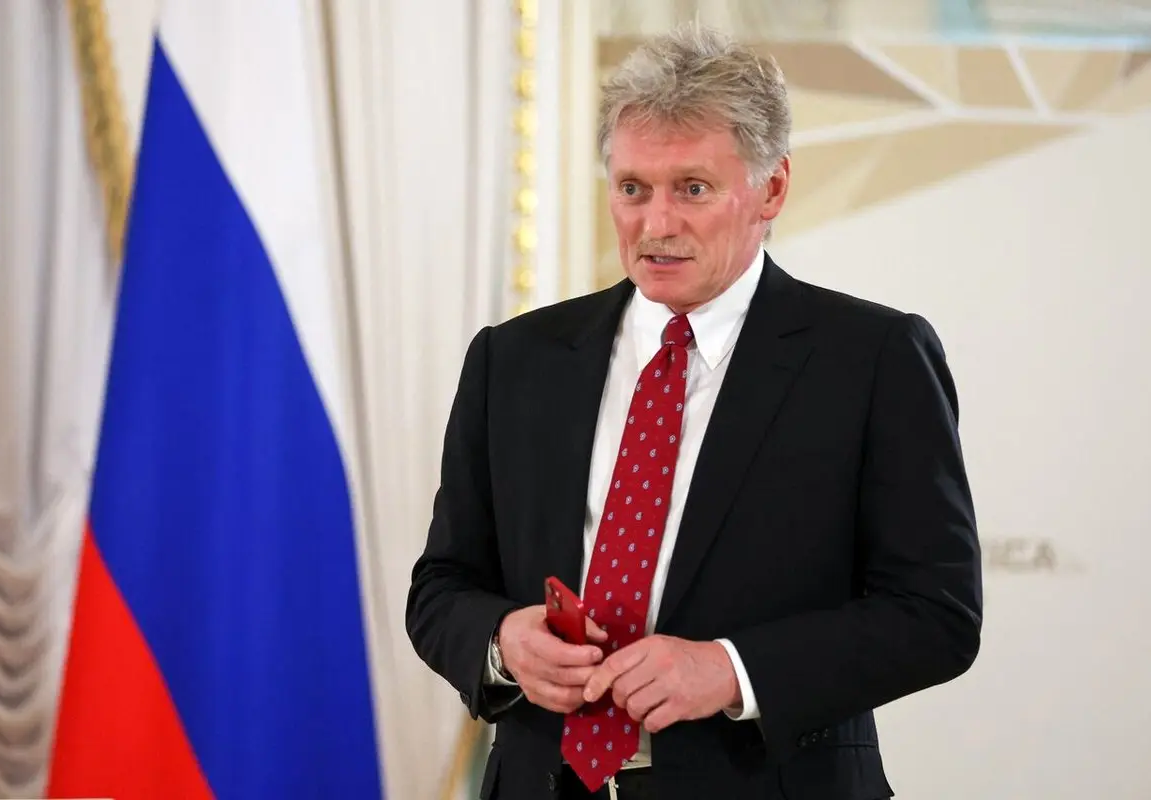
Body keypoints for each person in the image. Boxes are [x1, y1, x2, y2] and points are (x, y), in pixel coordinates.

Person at [406, 23, 982, 800]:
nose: (656, 224)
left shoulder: (873, 359)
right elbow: (442, 587)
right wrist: (503, 642)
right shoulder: (514, 360)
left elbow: (937, 615)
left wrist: (732, 670)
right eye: (633, 189)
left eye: (693, 189)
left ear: (771, 189)